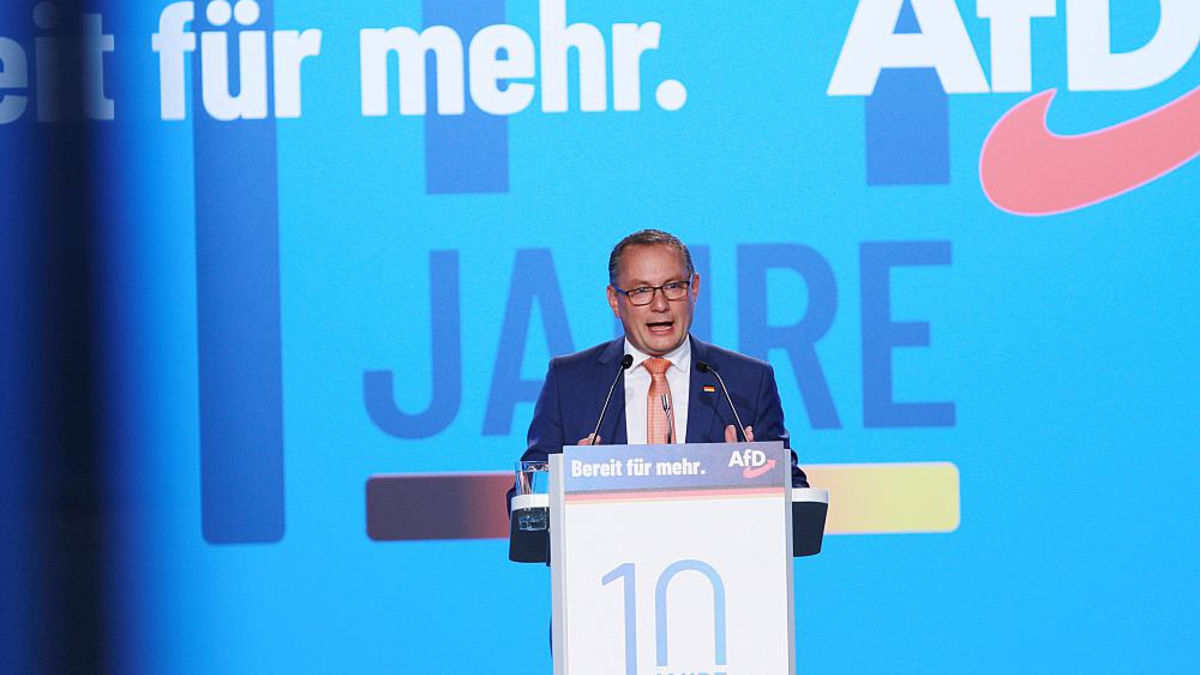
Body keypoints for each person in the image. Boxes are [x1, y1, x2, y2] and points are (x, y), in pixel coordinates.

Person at [518, 229, 807, 487]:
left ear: (694, 289)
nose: (660, 305)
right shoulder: (569, 380)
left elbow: (794, 495)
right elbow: (529, 494)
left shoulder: (746, 380)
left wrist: (755, 480)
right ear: (614, 301)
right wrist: (570, 480)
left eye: (673, 286)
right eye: (640, 291)